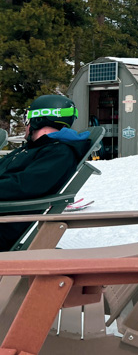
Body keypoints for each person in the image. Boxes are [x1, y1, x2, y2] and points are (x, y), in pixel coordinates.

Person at [0, 94, 91, 251]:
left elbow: (24, 185)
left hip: (5, 224)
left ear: (38, 119)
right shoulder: (33, 148)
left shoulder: (59, 153)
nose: (26, 124)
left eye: (27, 118)